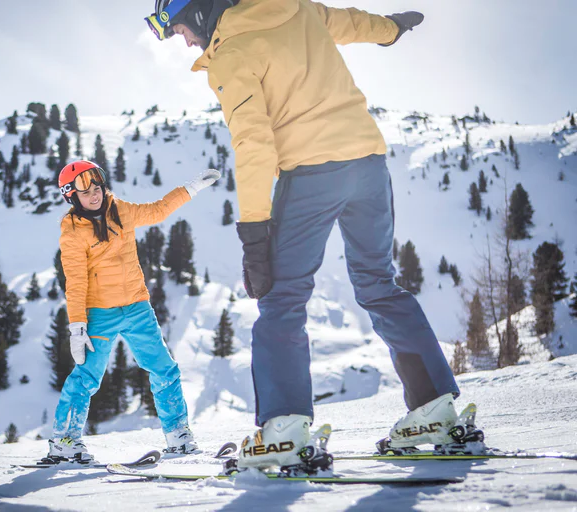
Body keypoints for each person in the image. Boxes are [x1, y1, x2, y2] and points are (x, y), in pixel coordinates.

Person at [146, 0, 472, 470]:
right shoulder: (296, 10)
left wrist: (255, 233)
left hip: (313, 173)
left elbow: (254, 143)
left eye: (180, 30)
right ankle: (435, 409)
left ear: (201, 11)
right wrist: (392, 30)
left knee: (281, 299)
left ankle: (284, 430)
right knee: (379, 285)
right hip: (369, 165)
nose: (186, 42)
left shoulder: (233, 52)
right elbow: (351, 22)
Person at [48, 159, 220, 461]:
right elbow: (75, 280)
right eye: (83, 188)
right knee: (86, 376)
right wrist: (77, 326)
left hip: (137, 307)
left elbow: (158, 209)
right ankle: (64, 440)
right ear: (71, 195)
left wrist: (191, 189)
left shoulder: (121, 210)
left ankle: (178, 435)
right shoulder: (72, 231)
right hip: (99, 312)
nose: (93, 192)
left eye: (96, 183)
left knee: (164, 368)